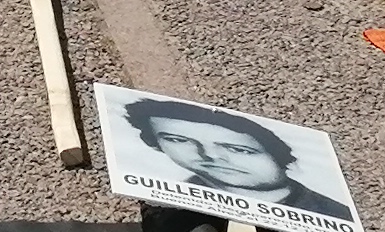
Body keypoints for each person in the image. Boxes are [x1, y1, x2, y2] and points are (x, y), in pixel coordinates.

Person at [118, 94, 352, 224]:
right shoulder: (166, 202)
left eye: (239, 149)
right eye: (179, 140)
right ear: (155, 144)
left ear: (280, 156)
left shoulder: (335, 216)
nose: (209, 156)